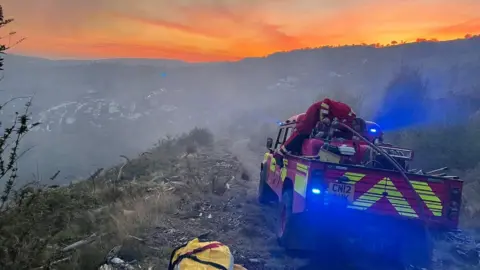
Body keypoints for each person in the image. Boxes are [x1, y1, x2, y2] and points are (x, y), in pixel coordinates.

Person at [274, 98, 356, 161]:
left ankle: (295, 149)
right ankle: (280, 153)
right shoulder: (345, 109)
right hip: (315, 111)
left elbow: (346, 132)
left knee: (307, 134)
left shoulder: (349, 123)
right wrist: (324, 117)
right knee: (303, 130)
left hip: (324, 117)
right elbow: (326, 101)